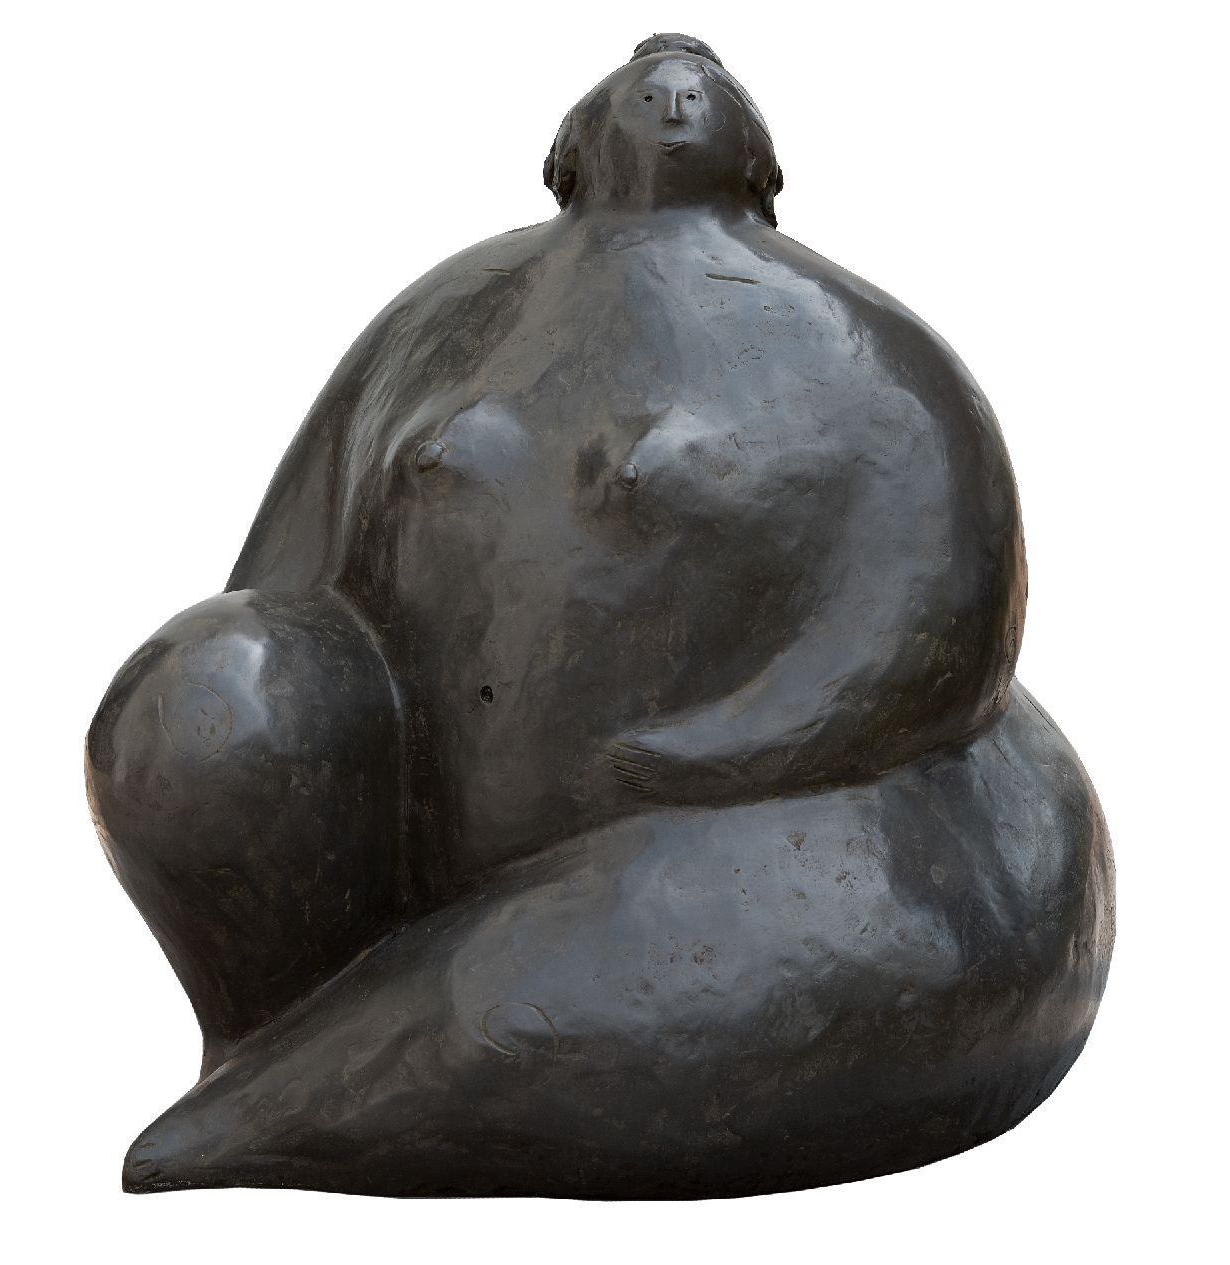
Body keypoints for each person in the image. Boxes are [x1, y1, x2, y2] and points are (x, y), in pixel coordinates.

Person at [88, 34, 1113, 1198]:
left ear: (762, 173)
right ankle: (276, 1037)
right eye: (645, 75)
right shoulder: (449, 313)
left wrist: (739, 747)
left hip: (755, 829)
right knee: (204, 698)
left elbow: (942, 622)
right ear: (562, 156)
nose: (670, 78)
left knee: (673, 933)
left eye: (698, 81)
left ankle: (309, 1085)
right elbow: (286, 570)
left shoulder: (866, 350)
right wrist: (244, 698)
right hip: (439, 828)